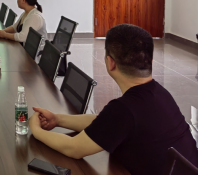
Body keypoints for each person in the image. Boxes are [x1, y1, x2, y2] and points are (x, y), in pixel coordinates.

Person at [29, 24, 198, 175]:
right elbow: (105, 122)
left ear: (111, 63)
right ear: (150, 61)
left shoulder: (124, 109)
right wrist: (58, 119)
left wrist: (36, 130)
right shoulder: (159, 93)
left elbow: (74, 148)